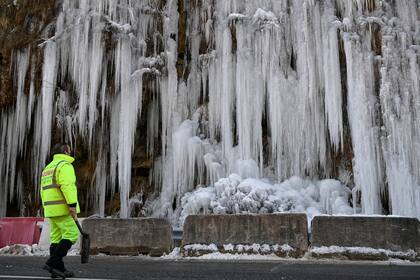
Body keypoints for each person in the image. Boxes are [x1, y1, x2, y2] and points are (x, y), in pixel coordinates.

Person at [40, 143, 80, 278]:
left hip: (50, 209)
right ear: (65, 151)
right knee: (72, 234)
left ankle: (58, 270)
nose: (71, 151)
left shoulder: (48, 168)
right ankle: (52, 262)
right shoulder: (64, 166)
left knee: (56, 238)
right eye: (70, 149)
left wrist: (47, 207)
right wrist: (72, 205)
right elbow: (68, 186)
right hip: (63, 208)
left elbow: (42, 190)